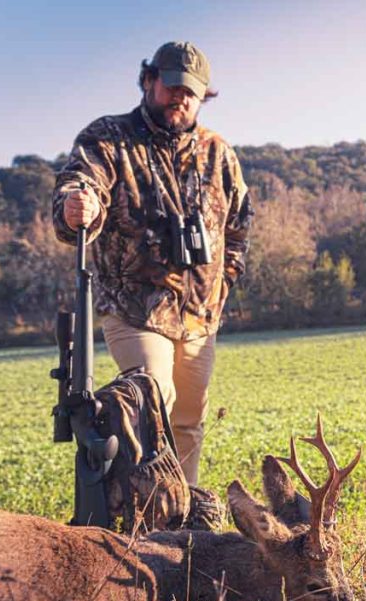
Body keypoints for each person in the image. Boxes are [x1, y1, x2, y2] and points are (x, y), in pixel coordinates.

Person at [52, 41, 252, 487]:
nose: (181, 97)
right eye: (172, 86)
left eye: (192, 92)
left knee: (188, 422)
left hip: (200, 317)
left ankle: (187, 522)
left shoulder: (219, 153)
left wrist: (223, 284)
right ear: (149, 81)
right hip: (136, 309)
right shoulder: (108, 138)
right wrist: (74, 206)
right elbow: (80, 184)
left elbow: (239, 226)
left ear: (203, 97)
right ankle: (144, 517)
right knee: (153, 407)